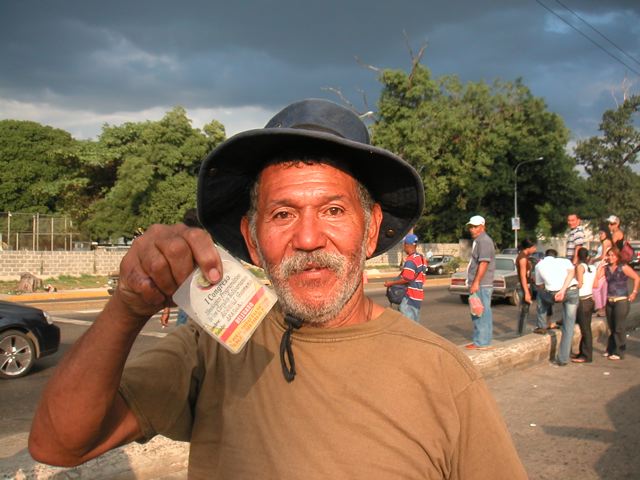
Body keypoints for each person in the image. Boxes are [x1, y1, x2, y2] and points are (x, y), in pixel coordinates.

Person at [29, 99, 527, 478]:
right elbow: (59, 445)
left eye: (333, 210)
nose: (308, 239)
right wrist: (127, 306)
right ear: (252, 238)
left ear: (371, 228)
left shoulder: (444, 375)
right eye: (283, 214)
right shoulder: (213, 346)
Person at [534, 249, 579, 366]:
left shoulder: (539, 265)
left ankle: (542, 325)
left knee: (540, 295)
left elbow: (539, 285)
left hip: (554, 294)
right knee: (569, 326)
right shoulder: (565, 261)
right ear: (555, 256)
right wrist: (563, 290)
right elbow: (571, 274)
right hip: (572, 291)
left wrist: (558, 291)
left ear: (545, 256)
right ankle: (563, 359)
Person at [595, 247, 640, 360]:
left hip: (621, 300)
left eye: (613, 255)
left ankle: (619, 351)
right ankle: (610, 349)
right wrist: (600, 266)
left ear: (617, 256)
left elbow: (636, 278)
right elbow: (596, 283)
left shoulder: (623, 267)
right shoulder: (606, 269)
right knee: (612, 326)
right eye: (609, 255)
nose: (610, 257)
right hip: (610, 300)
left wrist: (634, 292)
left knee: (619, 327)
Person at [464, 215, 496, 350]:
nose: (472, 229)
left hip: (481, 284)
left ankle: (481, 342)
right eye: (471, 227)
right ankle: (484, 341)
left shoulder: (484, 241)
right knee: (483, 312)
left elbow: (484, 263)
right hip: (481, 283)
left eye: (475, 226)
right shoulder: (480, 241)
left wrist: (476, 282)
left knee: (479, 313)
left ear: (483, 227)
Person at [383, 233, 426, 322]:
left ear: (406, 244)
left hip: (410, 297)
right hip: (418, 295)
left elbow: (406, 279)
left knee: (408, 326)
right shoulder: (421, 258)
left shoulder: (410, 260)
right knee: (415, 325)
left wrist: (390, 284)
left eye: (403, 244)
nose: (403, 247)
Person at [572, 248, 597, 363]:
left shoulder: (580, 267)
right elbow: (595, 283)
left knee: (585, 329)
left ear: (577, 256)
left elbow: (580, 284)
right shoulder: (592, 267)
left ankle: (586, 355)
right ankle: (583, 352)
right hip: (590, 299)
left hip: (582, 301)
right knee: (586, 328)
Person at [516, 238, 537, 335]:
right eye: (534, 247)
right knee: (524, 310)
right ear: (529, 247)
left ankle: (521, 331)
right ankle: (521, 332)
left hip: (526, 285)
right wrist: (527, 292)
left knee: (525, 309)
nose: (535, 249)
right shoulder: (523, 258)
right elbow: (523, 276)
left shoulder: (525, 257)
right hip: (523, 286)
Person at [593, 224, 613, 317]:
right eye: (599, 233)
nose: (600, 235)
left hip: (602, 265)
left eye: (601, 233)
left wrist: (593, 259)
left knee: (596, 288)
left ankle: (600, 308)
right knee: (603, 288)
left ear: (606, 233)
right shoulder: (607, 241)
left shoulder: (606, 242)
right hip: (604, 265)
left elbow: (603, 256)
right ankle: (603, 308)